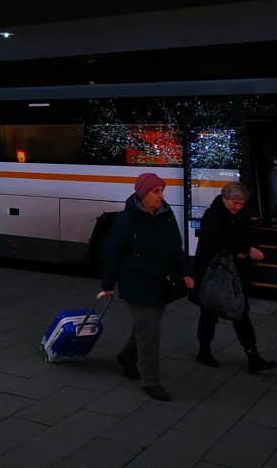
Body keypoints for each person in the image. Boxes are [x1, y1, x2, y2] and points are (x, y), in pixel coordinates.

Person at [99, 172, 193, 402]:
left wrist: (186, 272)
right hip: (136, 282)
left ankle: (127, 357)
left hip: (161, 282)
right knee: (150, 330)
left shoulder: (166, 215)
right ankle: (151, 381)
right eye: (156, 191)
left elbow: (176, 247)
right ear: (143, 194)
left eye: (162, 190)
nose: (161, 196)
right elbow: (114, 253)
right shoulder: (127, 218)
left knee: (146, 326)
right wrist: (108, 285)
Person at [191, 182, 277, 372]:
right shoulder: (212, 215)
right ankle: (204, 351)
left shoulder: (241, 214)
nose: (238, 207)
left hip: (233, 272)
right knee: (208, 312)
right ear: (224, 198)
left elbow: (248, 234)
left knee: (240, 313)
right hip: (212, 271)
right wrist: (243, 248)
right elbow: (219, 239)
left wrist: (245, 249)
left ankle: (252, 354)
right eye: (234, 203)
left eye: (241, 203)